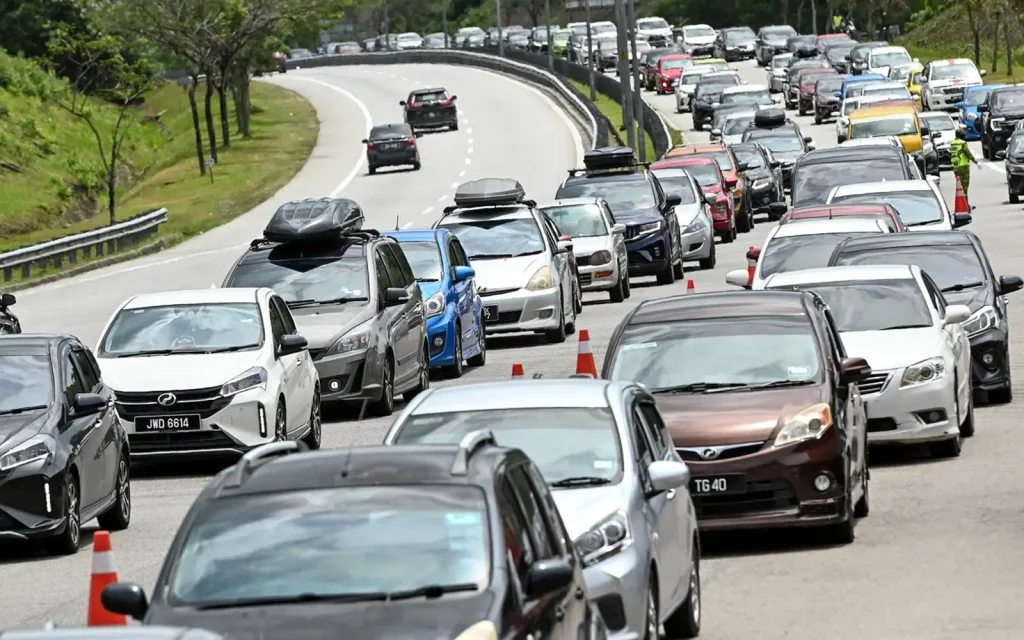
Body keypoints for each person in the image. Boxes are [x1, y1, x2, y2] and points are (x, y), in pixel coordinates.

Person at [950, 127, 979, 203]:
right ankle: (965, 206)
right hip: (963, 168)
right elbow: (967, 153)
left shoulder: (952, 143)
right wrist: (976, 162)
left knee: (959, 187)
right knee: (964, 188)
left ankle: (961, 204)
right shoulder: (962, 143)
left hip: (956, 168)